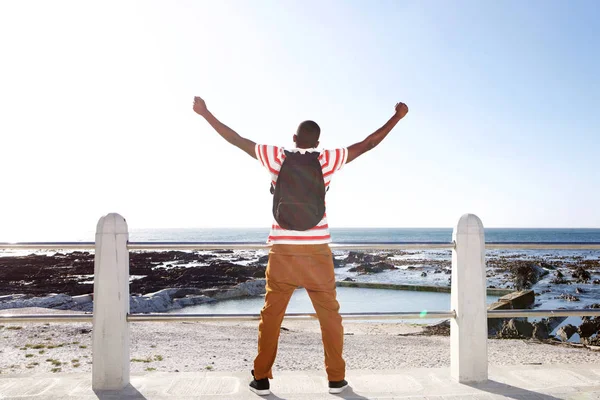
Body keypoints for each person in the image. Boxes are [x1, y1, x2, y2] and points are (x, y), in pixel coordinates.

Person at [193, 96, 409, 395]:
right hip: (317, 253)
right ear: (319, 142)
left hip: (283, 253)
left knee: (271, 316)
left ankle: (262, 377)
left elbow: (236, 139)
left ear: (294, 139)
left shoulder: (275, 156)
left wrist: (205, 113)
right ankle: (336, 378)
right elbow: (368, 144)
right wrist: (397, 117)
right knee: (330, 317)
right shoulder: (327, 159)